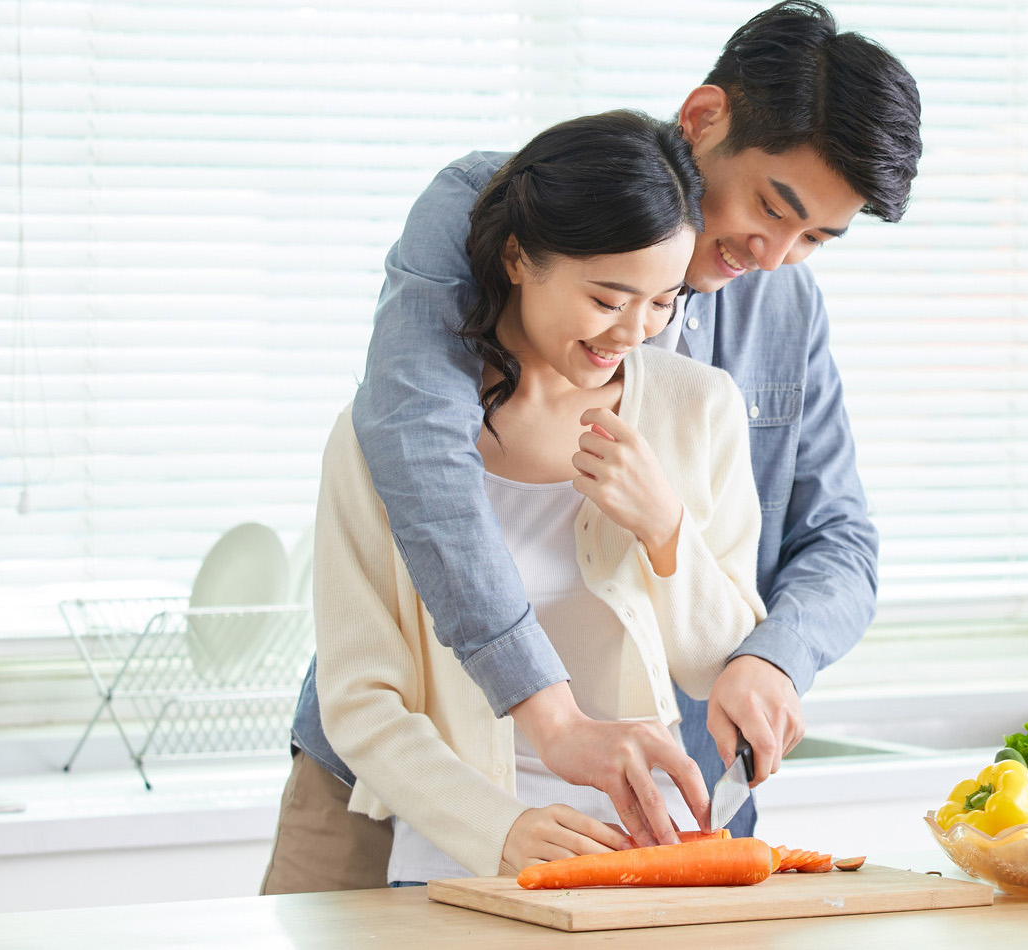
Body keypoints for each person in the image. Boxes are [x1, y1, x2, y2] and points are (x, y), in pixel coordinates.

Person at [261, 1, 921, 893]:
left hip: (653, 808)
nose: (774, 256)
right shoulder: (492, 209)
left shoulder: (749, 349)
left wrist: (769, 656)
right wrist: (551, 724)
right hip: (399, 799)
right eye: (773, 208)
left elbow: (835, 541)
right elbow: (413, 450)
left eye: (816, 241)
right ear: (703, 120)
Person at [309, 109, 764, 885]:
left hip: (649, 857)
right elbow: (361, 700)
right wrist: (501, 828)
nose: (633, 331)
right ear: (519, 258)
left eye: (662, 302)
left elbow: (715, 666)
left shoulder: (699, 408)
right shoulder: (379, 437)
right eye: (608, 297)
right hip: (464, 859)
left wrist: (666, 531)